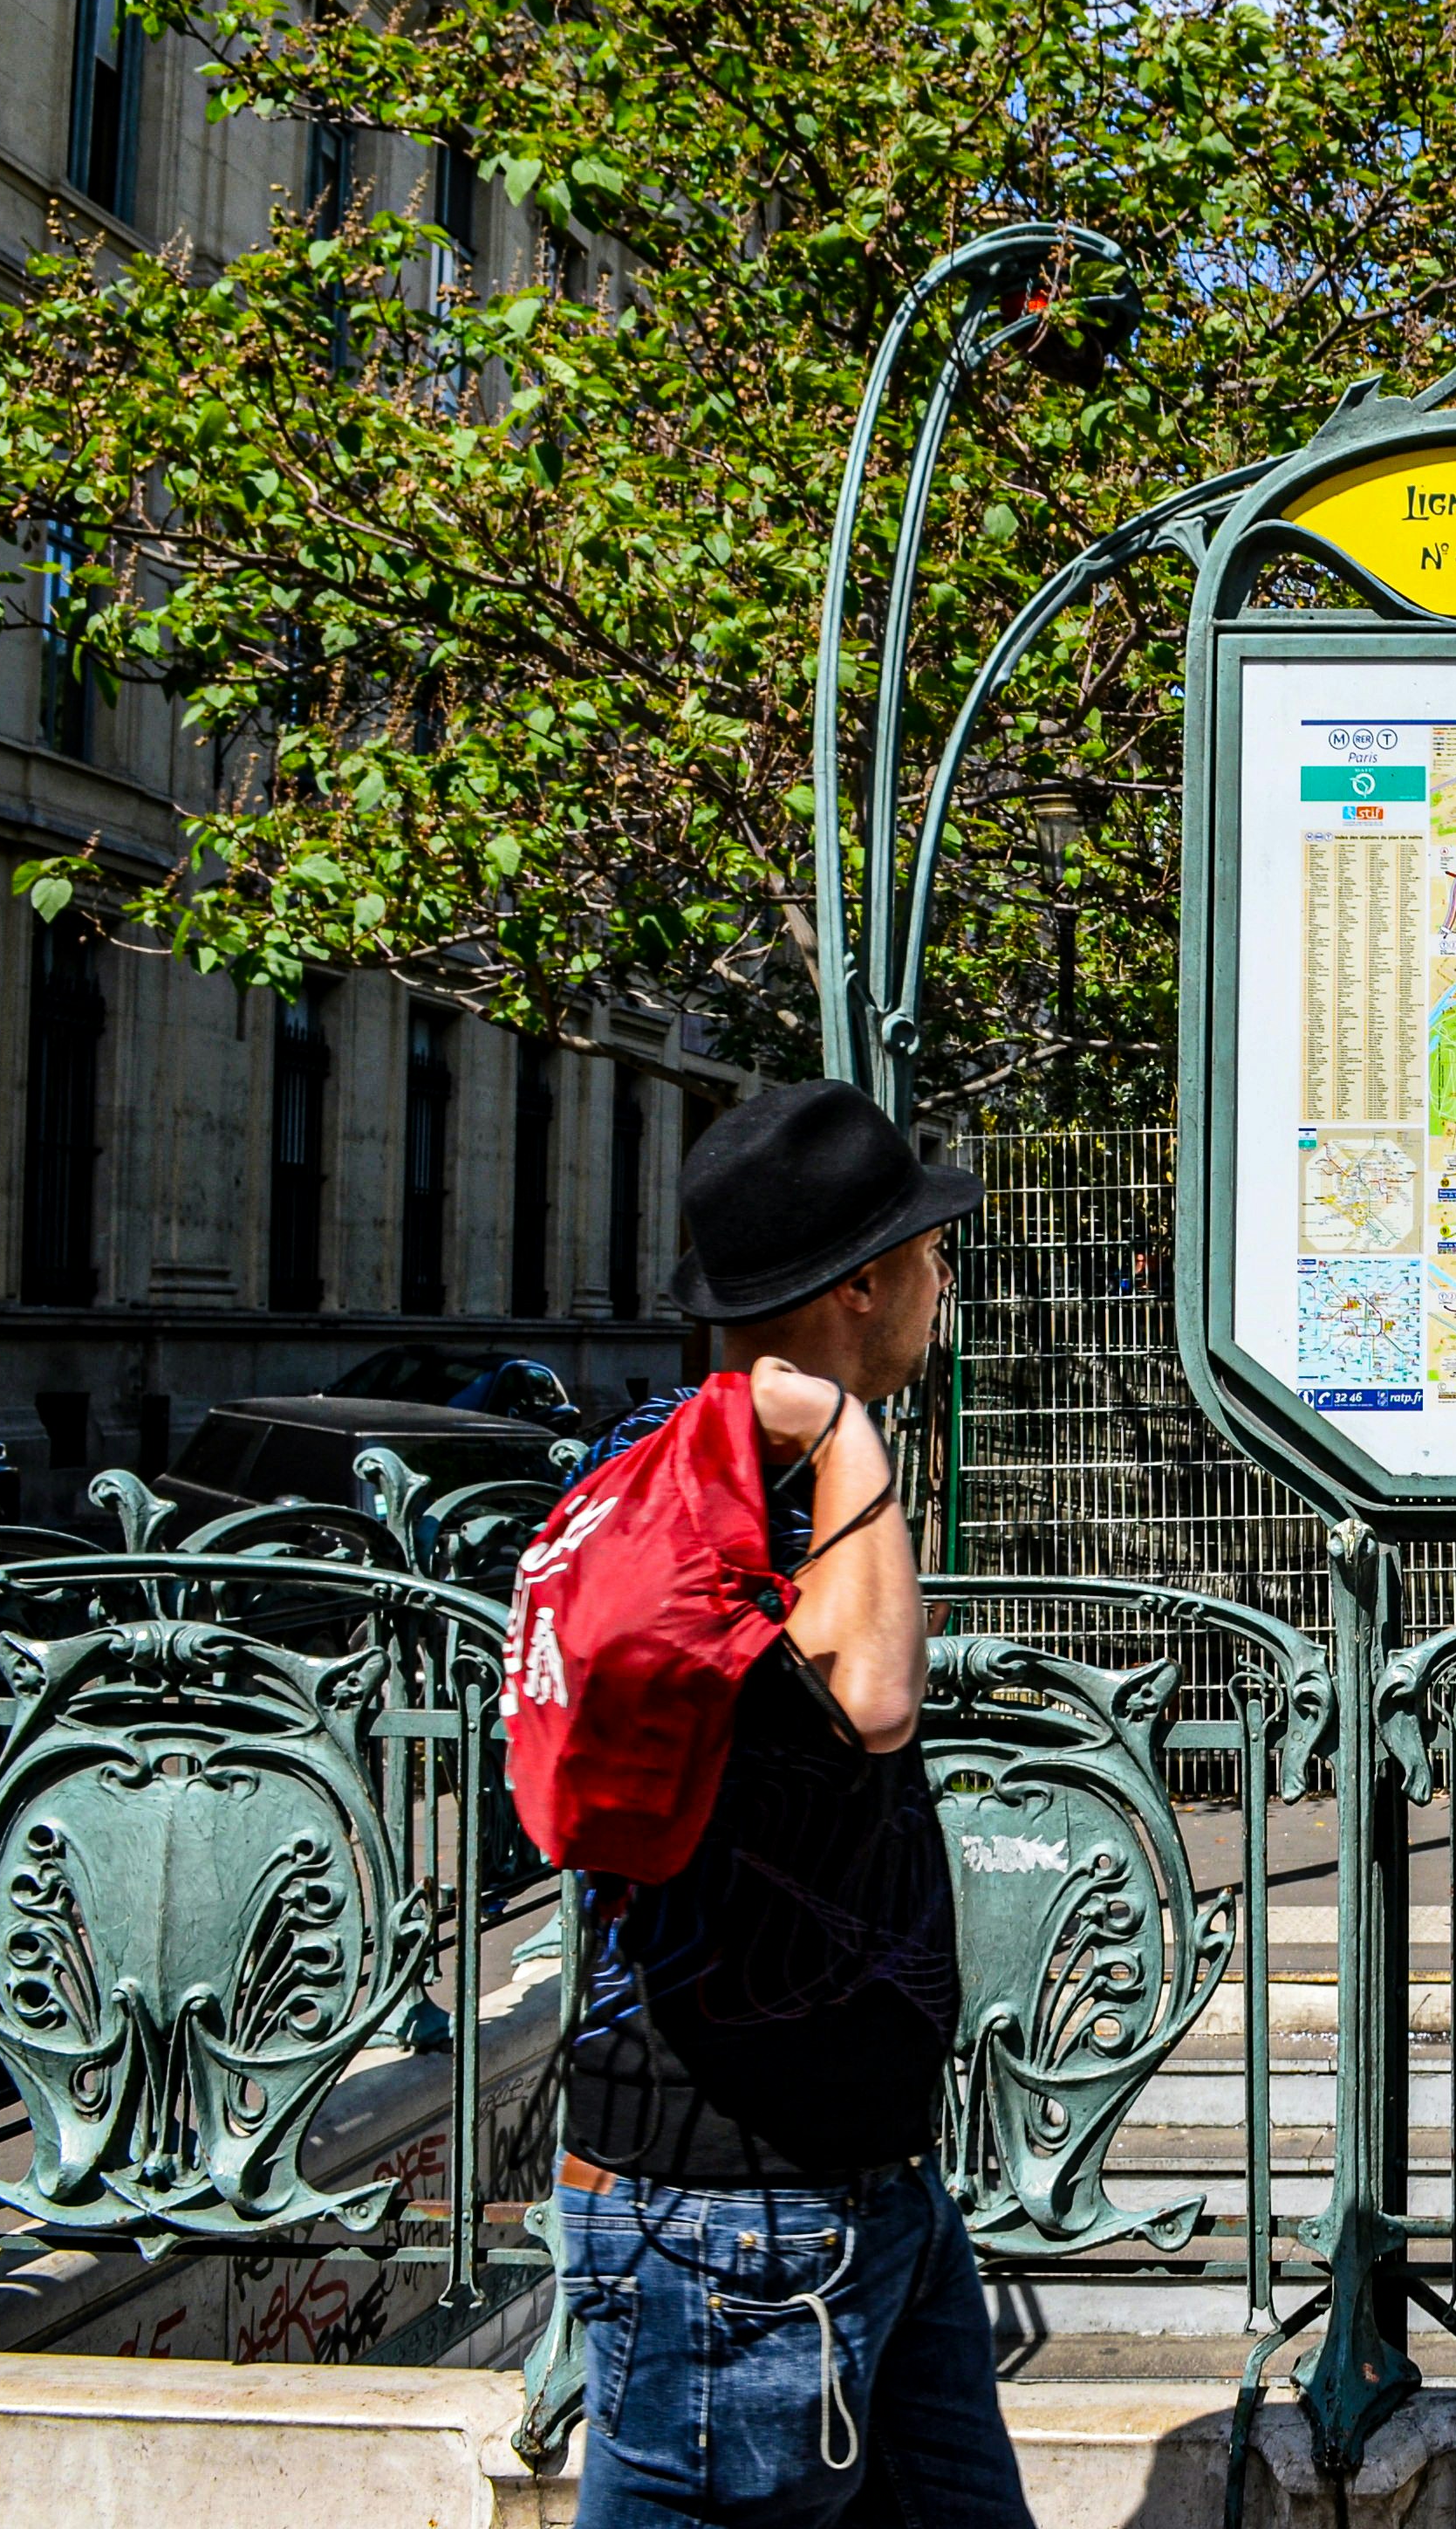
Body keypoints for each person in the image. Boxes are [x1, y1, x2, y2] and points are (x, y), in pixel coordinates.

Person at [551, 1079, 1029, 2529]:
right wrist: (845, 1434)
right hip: (730, 2206)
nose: (946, 1283)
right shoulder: (723, 1478)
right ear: (863, 1283)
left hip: (855, 2180)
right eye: (930, 1255)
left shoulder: (705, 1462)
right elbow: (873, 1692)